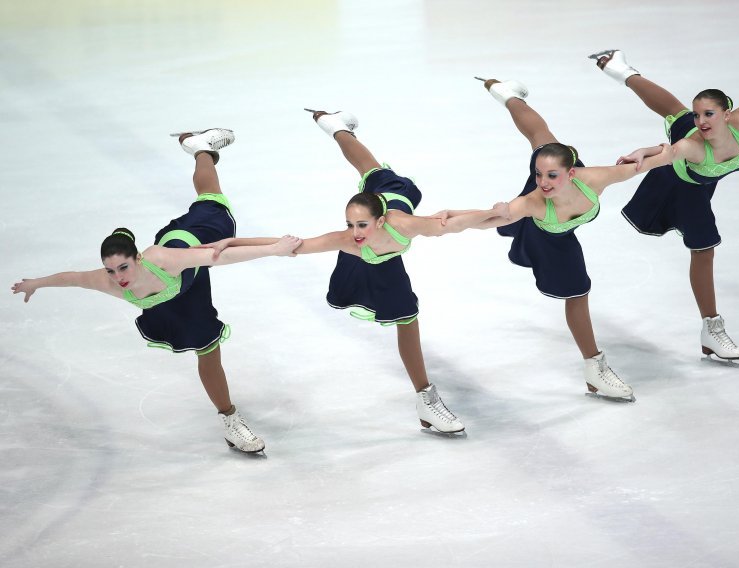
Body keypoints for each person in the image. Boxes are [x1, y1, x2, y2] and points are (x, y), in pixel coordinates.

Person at [200, 110, 510, 434]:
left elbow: (453, 224)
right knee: (368, 170)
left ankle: (425, 401)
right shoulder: (348, 239)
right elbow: (294, 245)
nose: (355, 230)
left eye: (362, 224)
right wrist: (235, 240)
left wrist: (493, 212)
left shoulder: (405, 225)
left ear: (380, 220)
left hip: (395, 195)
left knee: (374, 172)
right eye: (350, 223)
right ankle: (335, 127)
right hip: (368, 246)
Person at [11, 129, 302, 454]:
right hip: (175, 287)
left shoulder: (163, 261)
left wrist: (274, 248)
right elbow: (74, 277)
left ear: (137, 259)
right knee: (205, 346)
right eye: (111, 270)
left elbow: (220, 255)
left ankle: (201, 149)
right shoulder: (109, 281)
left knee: (211, 199)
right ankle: (230, 420)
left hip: (199, 237)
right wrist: (35, 283)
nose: (118, 278)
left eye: (124, 268)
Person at [433, 77, 673, 402]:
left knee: (542, 138)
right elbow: (489, 218)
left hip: (567, 198)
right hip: (549, 235)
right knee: (578, 291)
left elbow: (664, 158)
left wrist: (653, 149)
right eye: (538, 174)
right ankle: (595, 368)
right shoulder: (532, 201)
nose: (542, 182)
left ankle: (508, 95)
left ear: (572, 172)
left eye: (551, 175)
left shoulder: (596, 178)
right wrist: (452, 218)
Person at [588, 50, 739, 365]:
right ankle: (711, 329)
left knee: (676, 112)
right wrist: (641, 154)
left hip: (703, 178)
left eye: (708, 114)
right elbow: (669, 154)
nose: (701, 121)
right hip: (680, 186)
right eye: (699, 115)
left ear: (727, 114)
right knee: (704, 249)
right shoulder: (693, 144)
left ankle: (622, 70)